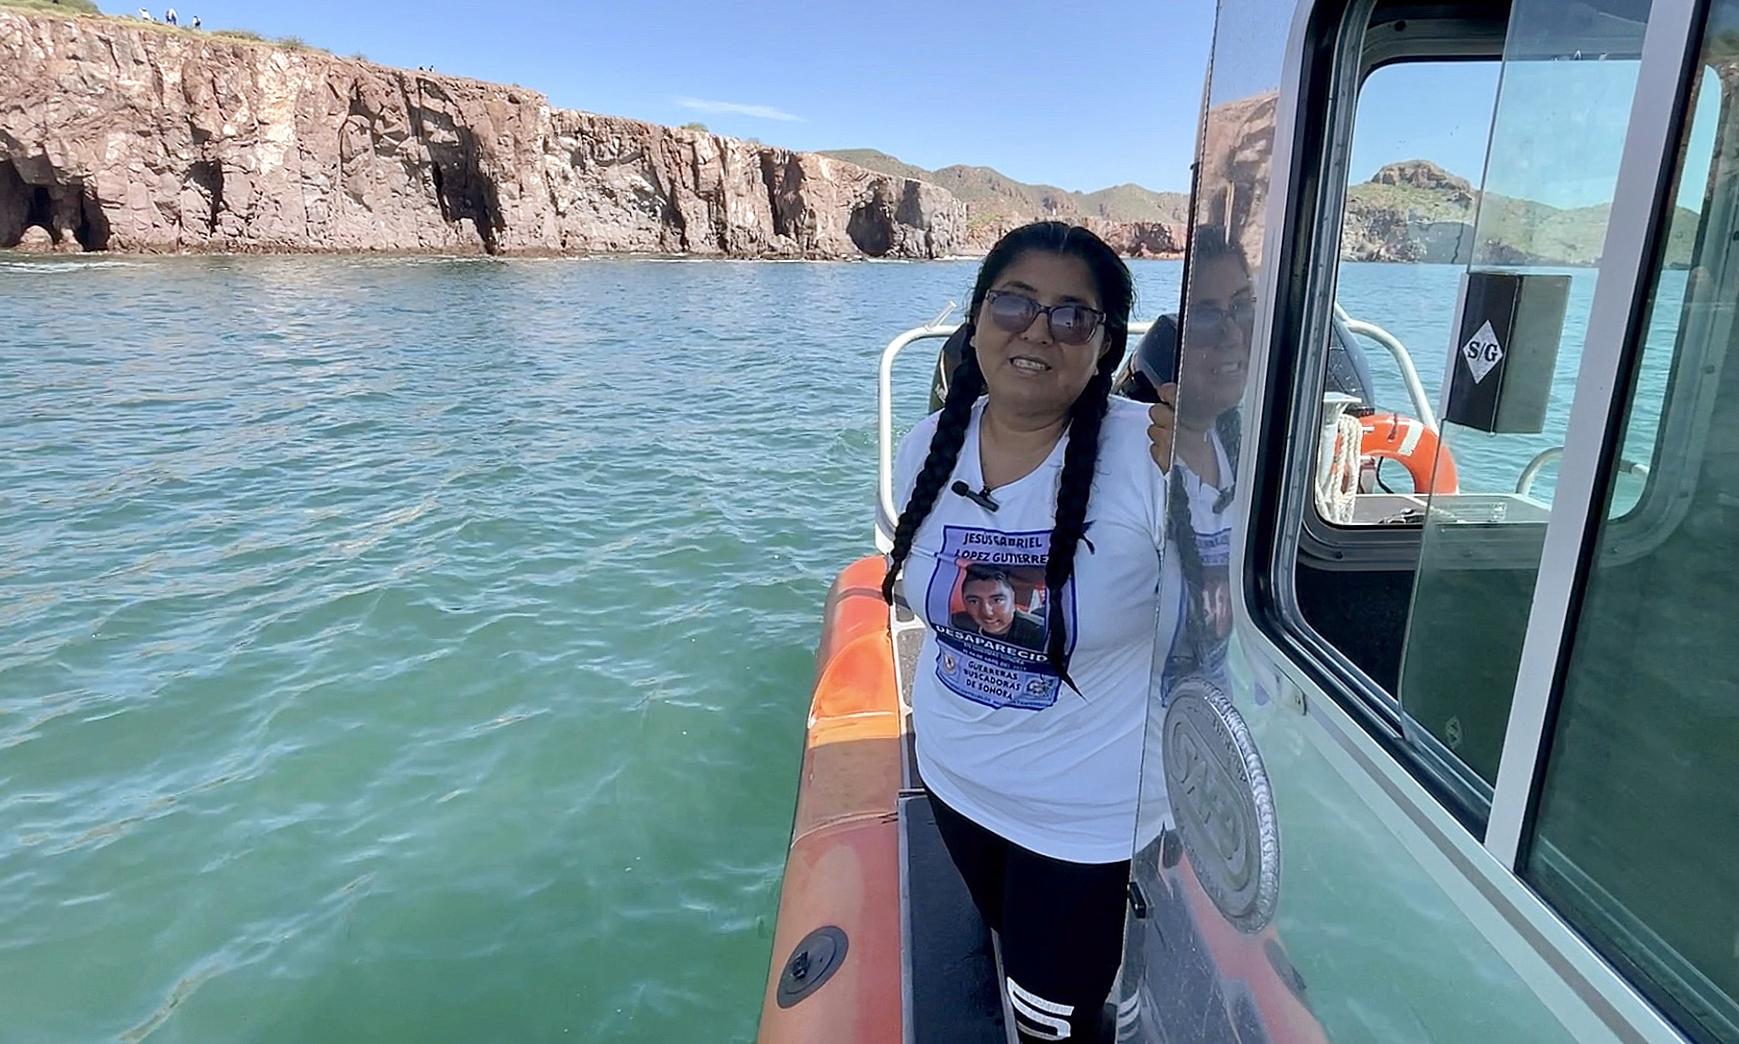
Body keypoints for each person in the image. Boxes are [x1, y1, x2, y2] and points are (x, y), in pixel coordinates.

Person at [884, 221, 1161, 1043]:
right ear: (975, 321)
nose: (1038, 330)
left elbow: (1226, 624)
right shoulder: (926, 446)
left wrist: (1222, 469)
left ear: (1103, 347)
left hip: (1083, 823)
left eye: (1073, 315)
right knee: (1009, 948)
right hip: (954, 780)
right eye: (1014, 303)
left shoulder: (1152, 461)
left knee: (1052, 1021)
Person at [1142, 226, 1253, 700]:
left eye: (1242, 307)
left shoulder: (1242, 450)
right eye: (1205, 315)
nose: (1232, 333)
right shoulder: (1141, 468)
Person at [949, 563, 1047, 651]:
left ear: (1013, 598)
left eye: (997, 600)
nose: (987, 612)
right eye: (974, 601)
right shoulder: (957, 624)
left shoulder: (1042, 634)